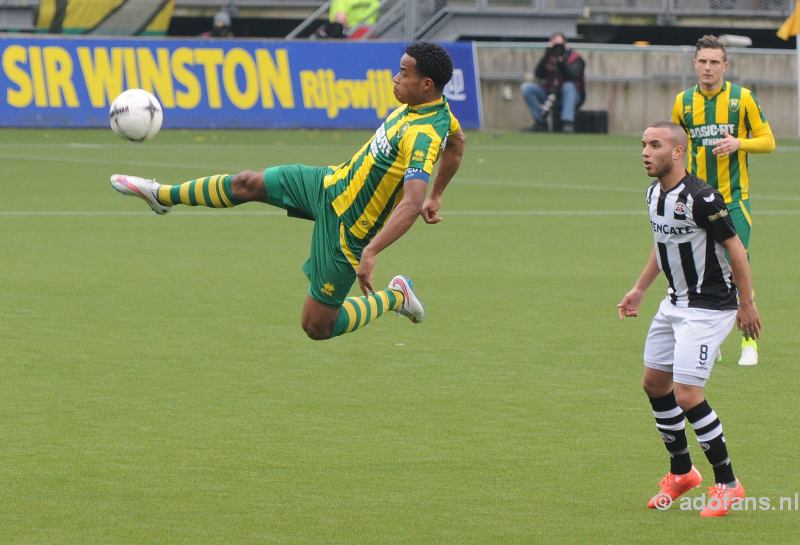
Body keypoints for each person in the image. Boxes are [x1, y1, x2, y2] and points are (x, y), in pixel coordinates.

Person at [109, 42, 466, 341]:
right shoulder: (432, 111)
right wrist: (439, 194)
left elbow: (410, 203)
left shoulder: (422, 134)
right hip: (329, 183)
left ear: (426, 84)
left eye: (404, 73)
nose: (395, 77)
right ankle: (161, 195)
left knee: (317, 326)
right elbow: (457, 143)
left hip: (349, 228)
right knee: (247, 182)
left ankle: (395, 296)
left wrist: (372, 250)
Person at [618, 121, 761, 517]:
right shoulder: (653, 194)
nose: (646, 152)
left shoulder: (703, 198)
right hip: (673, 303)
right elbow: (662, 243)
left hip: (709, 307)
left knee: (686, 394)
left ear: (678, 152)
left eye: (655, 144)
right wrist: (640, 288)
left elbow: (736, 250)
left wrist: (746, 304)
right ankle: (682, 473)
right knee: (654, 383)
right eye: (643, 144)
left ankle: (728, 483)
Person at [671, 34, 775, 366]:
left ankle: (749, 342)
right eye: (703, 61)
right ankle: (709, 340)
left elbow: (769, 141)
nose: (708, 68)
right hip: (696, 202)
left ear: (725, 66)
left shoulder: (741, 99)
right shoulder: (682, 102)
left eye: (715, 62)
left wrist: (738, 144)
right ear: (695, 64)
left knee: (735, 266)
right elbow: (676, 150)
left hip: (732, 201)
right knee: (698, 272)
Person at [520, 32, 585, 133]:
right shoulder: (549, 57)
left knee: (569, 86)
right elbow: (539, 75)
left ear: (566, 45)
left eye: (559, 45)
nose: (557, 48)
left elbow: (572, 76)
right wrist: (547, 55)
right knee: (527, 88)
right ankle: (540, 122)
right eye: (555, 45)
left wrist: (561, 62)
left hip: (570, 96)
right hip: (550, 93)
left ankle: (567, 123)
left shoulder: (576, 58)